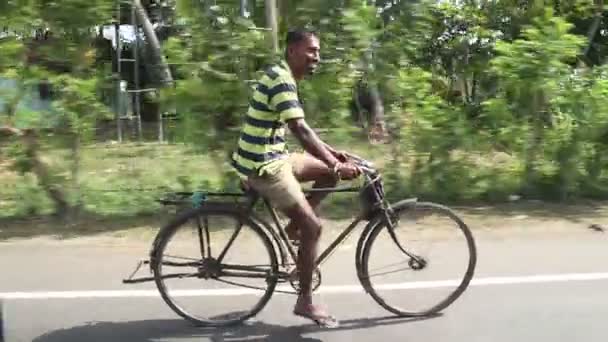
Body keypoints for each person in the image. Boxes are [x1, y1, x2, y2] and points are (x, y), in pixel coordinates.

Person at [231, 28, 361, 327]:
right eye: (311, 50)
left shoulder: (285, 76)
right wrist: (336, 163)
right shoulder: (281, 79)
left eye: (318, 51)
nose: (317, 56)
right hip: (263, 166)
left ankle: (292, 229)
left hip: (274, 157)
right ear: (292, 51)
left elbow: (302, 129)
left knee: (328, 172)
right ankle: (305, 300)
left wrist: (333, 156)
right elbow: (300, 130)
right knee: (314, 228)